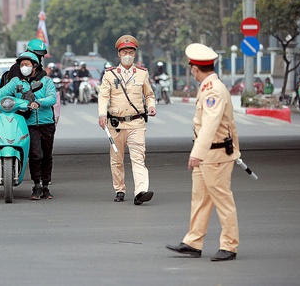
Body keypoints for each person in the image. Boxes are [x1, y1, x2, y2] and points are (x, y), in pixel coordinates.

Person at [166, 43, 241, 262]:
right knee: (200, 199)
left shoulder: (214, 90)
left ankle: (229, 245)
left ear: (195, 69)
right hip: (207, 154)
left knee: (222, 200)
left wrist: (196, 152)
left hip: (214, 154)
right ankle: (193, 242)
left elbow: (210, 124)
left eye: (191, 68)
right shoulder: (209, 87)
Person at [0, 52, 57, 200]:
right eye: (21, 65)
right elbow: (1, 92)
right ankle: (37, 185)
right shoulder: (16, 82)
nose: (23, 67)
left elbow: (52, 98)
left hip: (47, 123)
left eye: (27, 64)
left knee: (46, 156)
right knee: (35, 155)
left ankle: (46, 186)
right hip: (29, 123)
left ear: (35, 66)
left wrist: (39, 102)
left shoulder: (46, 81)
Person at [97, 35, 157, 205]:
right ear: (119, 54)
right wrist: (102, 114)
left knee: (138, 158)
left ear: (135, 55)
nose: (128, 55)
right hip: (115, 124)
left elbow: (149, 94)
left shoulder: (142, 74)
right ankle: (120, 189)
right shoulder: (109, 75)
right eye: (125, 52)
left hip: (136, 123)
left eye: (131, 52)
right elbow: (103, 96)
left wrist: (151, 105)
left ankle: (140, 191)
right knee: (117, 159)